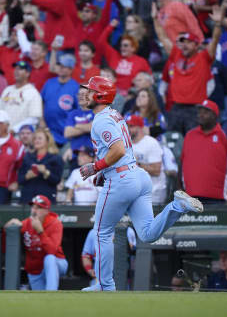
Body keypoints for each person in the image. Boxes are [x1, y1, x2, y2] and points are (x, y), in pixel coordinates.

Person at [79, 76, 203, 292]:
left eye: (90, 91)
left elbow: (117, 150)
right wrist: (103, 169)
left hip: (121, 179)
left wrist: (96, 167)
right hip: (137, 175)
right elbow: (119, 151)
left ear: (99, 95)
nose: (85, 94)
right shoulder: (114, 114)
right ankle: (177, 206)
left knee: (101, 232)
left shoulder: (101, 119)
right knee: (147, 234)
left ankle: (105, 286)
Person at [153, 4, 223, 135]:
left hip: (195, 109)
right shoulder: (176, 54)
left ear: (197, 45)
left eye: (189, 42)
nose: (184, 45)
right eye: (183, 42)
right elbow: (163, 37)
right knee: (172, 140)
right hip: (176, 107)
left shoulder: (204, 57)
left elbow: (214, 40)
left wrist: (218, 24)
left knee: (193, 139)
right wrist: (155, 19)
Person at [180, 100, 227, 203]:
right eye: (199, 112)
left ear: (215, 115)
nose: (201, 115)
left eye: (205, 112)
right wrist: (180, 186)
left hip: (217, 196)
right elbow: (181, 162)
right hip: (190, 196)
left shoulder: (225, 135)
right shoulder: (189, 135)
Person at [4, 194, 68, 291]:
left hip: (57, 263)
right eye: (33, 207)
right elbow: (5, 244)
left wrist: (40, 232)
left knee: (49, 258)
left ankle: (52, 293)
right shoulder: (26, 223)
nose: (34, 210)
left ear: (47, 211)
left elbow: (52, 250)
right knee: (40, 300)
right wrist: (8, 227)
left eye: (38, 208)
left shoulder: (55, 223)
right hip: (35, 270)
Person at [98, 19, 152, 96]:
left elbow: (149, 79)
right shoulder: (113, 55)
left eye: (126, 45)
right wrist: (110, 27)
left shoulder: (141, 61)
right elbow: (101, 43)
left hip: (130, 94)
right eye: (121, 45)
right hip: (110, 93)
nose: (122, 48)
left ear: (133, 48)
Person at [126, 115, 166, 204]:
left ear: (140, 127)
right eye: (127, 126)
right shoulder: (126, 144)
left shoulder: (151, 143)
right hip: (135, 191)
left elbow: (156, 171)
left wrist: (137, 165)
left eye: (131, 126)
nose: (128, 129)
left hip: (153, 191)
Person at [42, 54, 80, 147]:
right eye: (60, 66)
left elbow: (79, 111)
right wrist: (41, 120)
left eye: (64, 67)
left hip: (64, 135)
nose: (61, 68)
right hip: (47, 131)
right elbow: (42, 101)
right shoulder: (49, 82)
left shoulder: (76, 87)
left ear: (71, 69)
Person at [0, 61, 43, 132]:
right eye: (16, 69)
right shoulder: (7, 90)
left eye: (20, 69)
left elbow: (33, 119)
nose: (16, 71)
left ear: (27, 73)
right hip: (3, 134)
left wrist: (15, 129)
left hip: (19, 136)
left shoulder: (33, 93)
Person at [18, 128, 63, 204]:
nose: (36, 140)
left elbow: (57, 180)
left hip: (46, 198)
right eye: (35, 138)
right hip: (28, 199)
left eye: (40, 138)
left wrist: (45, 172)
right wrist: (27, 176)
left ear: (47, 141)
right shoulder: (27, 156)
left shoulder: (56, 158)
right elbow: (20, 179)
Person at [64, 87, 94, 170]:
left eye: (84, 94)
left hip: (92, 157)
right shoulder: (73, 113)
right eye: (79, 94)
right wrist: (87, 127)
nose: (80, 96)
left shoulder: (96, 111)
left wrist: (77, 126)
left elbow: (93, 128)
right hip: (75, 157)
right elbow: (67, 133)